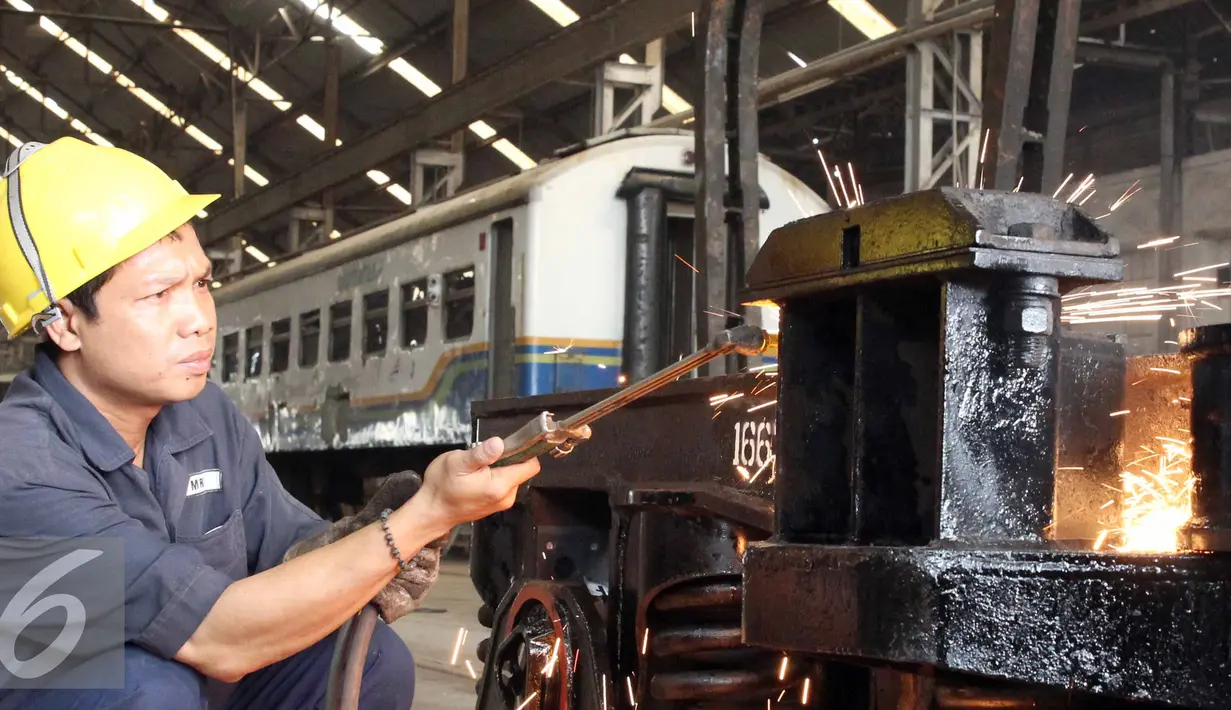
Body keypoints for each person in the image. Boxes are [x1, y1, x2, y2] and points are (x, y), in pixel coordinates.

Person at [0, 137, 540, 709]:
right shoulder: (22, 465)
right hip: (84, 691)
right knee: (151, 693)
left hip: (196, 676)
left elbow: (293, 554)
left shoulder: (202, 416)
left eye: (201, 284)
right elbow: (220, 638)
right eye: (159, 294)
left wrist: (382, 535)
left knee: (371, 661)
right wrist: (422, 518)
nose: (199, 321)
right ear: (62, 323)